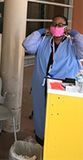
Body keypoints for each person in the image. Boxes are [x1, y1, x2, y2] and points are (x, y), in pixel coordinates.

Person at [22, 15, 83, 145]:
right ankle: (41, 138)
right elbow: (27, 45)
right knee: (41, 113)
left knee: (61, 116)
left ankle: (59, 142)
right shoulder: (43, 41)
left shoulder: (72, 44)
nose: (57, 27)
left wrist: (74, 33)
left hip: (63, 89)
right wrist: (41, 31)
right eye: (54, 24)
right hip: (42, 86)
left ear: (66, 27)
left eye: (61, 25)